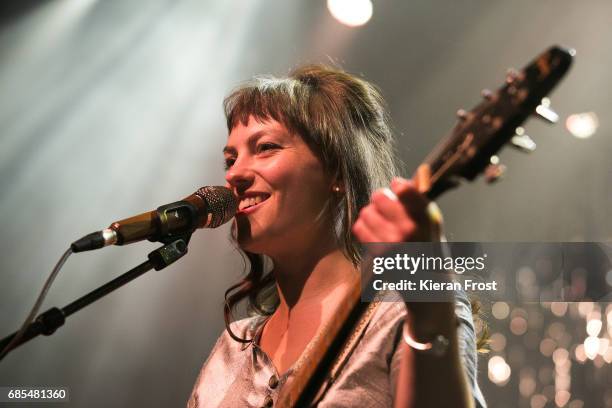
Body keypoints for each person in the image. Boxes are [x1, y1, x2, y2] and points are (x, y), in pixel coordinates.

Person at [188, 65, 486, 407]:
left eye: (266, 147)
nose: (235, 174)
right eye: (230, 160)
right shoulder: (233, 347)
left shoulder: (407, 315)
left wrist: (431, 312)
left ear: (338, 171)